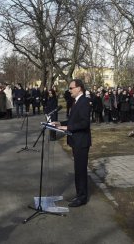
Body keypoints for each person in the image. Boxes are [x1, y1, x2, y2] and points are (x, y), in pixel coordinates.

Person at [54, 79, 91, 208]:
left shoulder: (84, 101)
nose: (69, 90)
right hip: (76, 141)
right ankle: (79, 194)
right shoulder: (76, 102)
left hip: (81, 142)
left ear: (79, 88)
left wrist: (67, 128)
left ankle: (82, 197)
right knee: (77, 170)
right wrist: (60, 124)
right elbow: (73, 120)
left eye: (71, 88)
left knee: (80, 170)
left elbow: (84, 123)